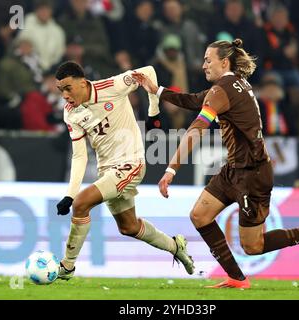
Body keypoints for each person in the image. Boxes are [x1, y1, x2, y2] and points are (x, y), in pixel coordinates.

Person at [132, 38, 299, 289]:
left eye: (208, 60)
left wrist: (171, 169)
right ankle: (237, 278)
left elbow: (196, 129)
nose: (203, 65)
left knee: (252, 246)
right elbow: (193, 100)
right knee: (200, 216)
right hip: (234, 170)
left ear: (224, 62)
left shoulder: (222, 90)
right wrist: (156, 90)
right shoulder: (233, 85)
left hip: (252, 174)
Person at [54, 61, 194, 279]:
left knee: (82, 204)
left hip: (131, 163)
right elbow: (80, 155)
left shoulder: (112, 86)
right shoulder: (71, 112)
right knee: (129, 227)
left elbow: (148, 72)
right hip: (108, 170)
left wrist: (153, 110)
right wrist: (68, 195)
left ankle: (67, 267)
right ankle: (176, 246)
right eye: (60, 90)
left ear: (83, 83)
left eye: (68, 88)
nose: (64, 95)